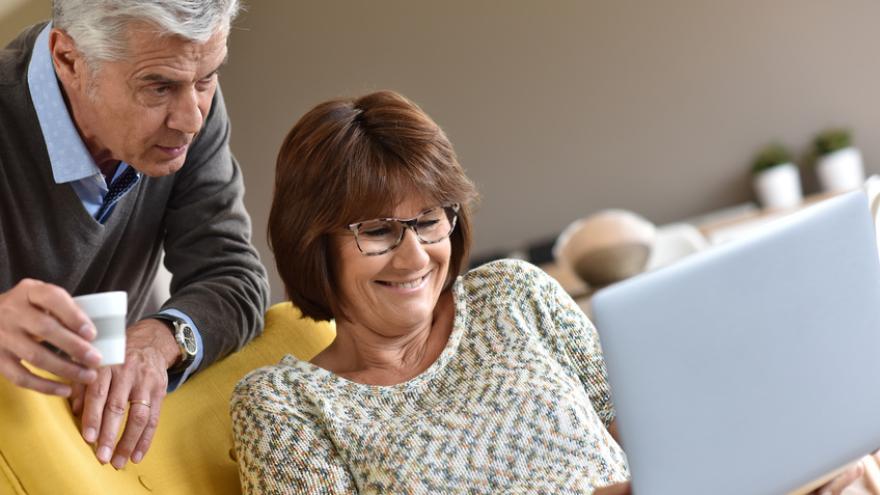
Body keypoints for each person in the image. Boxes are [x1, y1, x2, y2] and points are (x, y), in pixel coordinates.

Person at [230, 89, 871, 494]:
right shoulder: (284, 405)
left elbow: (657, 445)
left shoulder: (513, 294)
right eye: (377, 231)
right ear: (313, 242)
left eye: (429, 220)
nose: (416, 255)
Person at [0, 0, 269, 470]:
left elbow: (233, 275)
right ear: (68, 59)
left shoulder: (189, 105)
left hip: (96, 449)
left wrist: (160, 338)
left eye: (207, 78)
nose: (190, 120)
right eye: (158, 87)